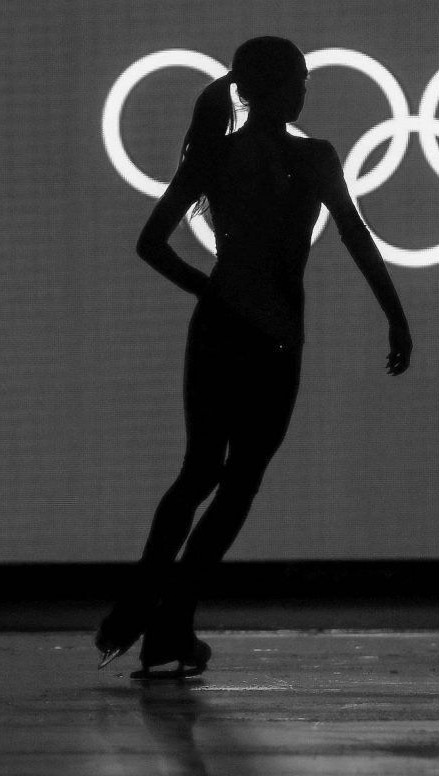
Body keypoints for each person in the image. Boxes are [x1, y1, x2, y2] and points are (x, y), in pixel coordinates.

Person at [95, 36, 412, 677]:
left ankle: (142, 606)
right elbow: (354, 235)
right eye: (299, 78)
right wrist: (395, 315)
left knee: (198, 473)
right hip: (274, 339)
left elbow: (152, 244)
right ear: (284, 87)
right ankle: (173, 620)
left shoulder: (216, 153)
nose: (304, 88)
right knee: (237, 483)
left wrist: (210, 290)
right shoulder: (315, 156)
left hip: (217, 329)